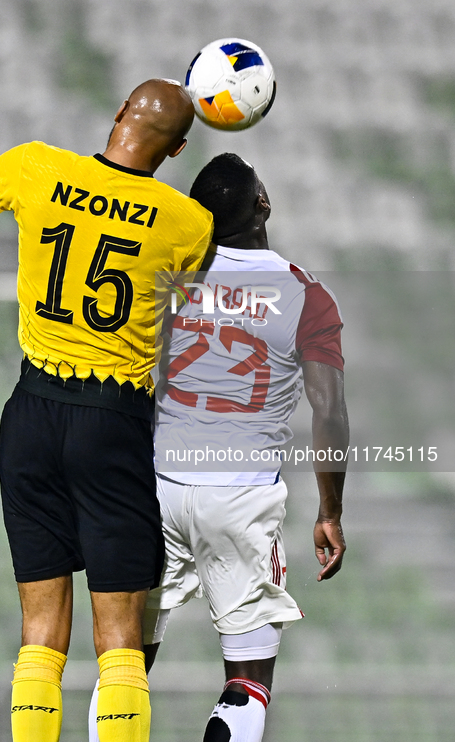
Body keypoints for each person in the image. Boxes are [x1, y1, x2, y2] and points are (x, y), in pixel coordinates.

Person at [0, 82, 213, 742]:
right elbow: (188, 312)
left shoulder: (35, 165)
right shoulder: (186, 221)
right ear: (175, 150)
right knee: (117, 635)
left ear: (117, 112)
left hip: (30, 412)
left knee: (38, 632)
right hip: (111, 420)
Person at [89, 152, 348, 742]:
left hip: (155, 488)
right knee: (247, 682)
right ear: (261, 203)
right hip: (240, 497)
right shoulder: (305, 296)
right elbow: (329, 412)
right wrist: (330, 512)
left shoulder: (168, 279)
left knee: (125, 663)